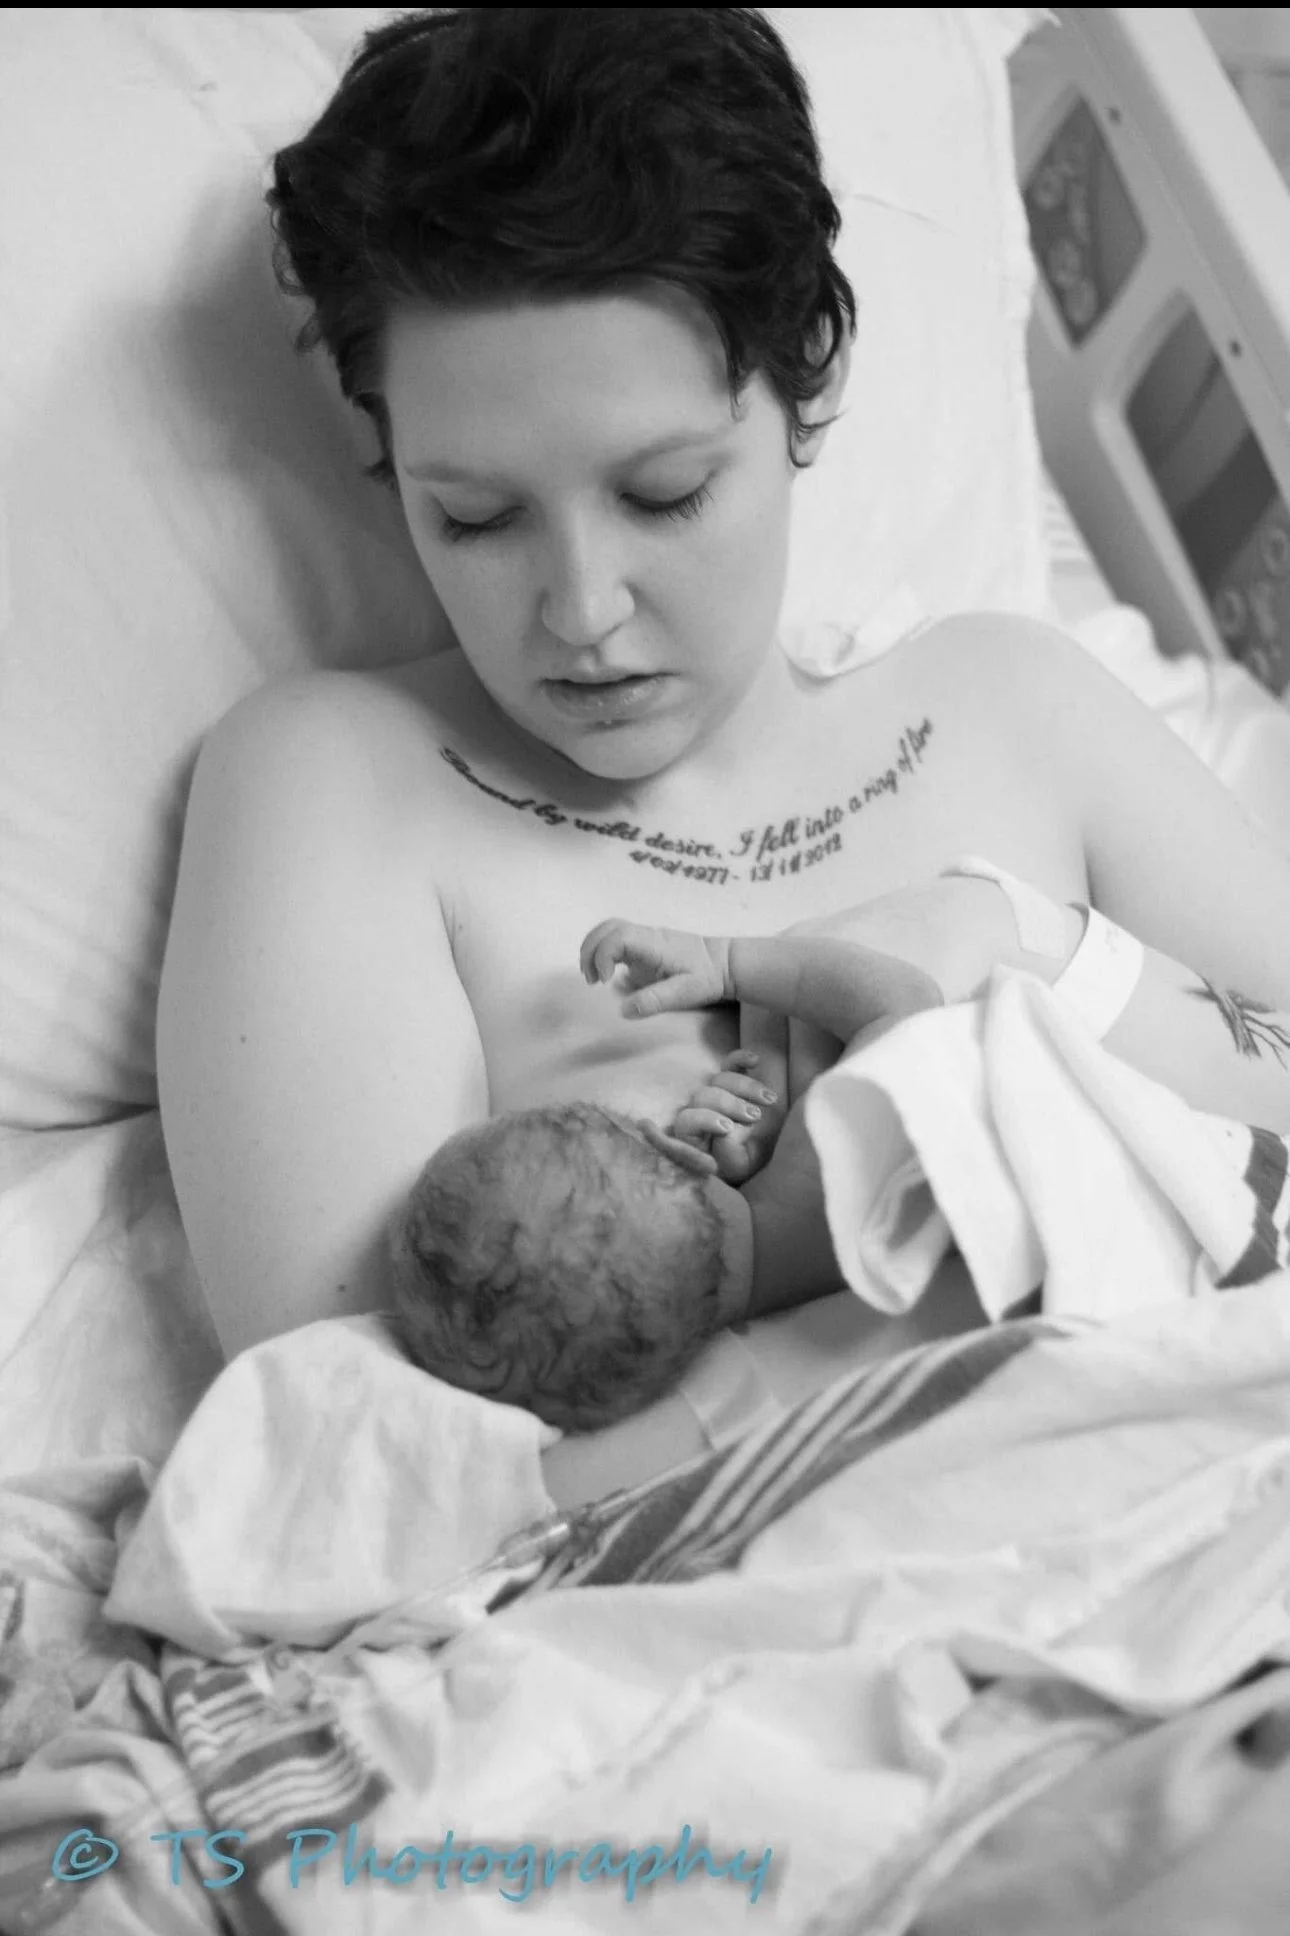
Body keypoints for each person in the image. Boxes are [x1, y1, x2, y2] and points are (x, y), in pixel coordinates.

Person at [156, 9, 1290, 1479]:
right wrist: (846, 1277)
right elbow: (359, 1457)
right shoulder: (333, 787)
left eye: (665, 491)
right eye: (476, 518)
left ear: (803, 383)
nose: (580, 610)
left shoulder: (1017, 707)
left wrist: (1015, 941)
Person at [387, 924, 944, 1432]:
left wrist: (743, 1165)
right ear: (674, 1153)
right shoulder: (822, 1176)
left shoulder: (771, 1256)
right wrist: (727, 963)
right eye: (627, 1127)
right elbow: (910, 1008)